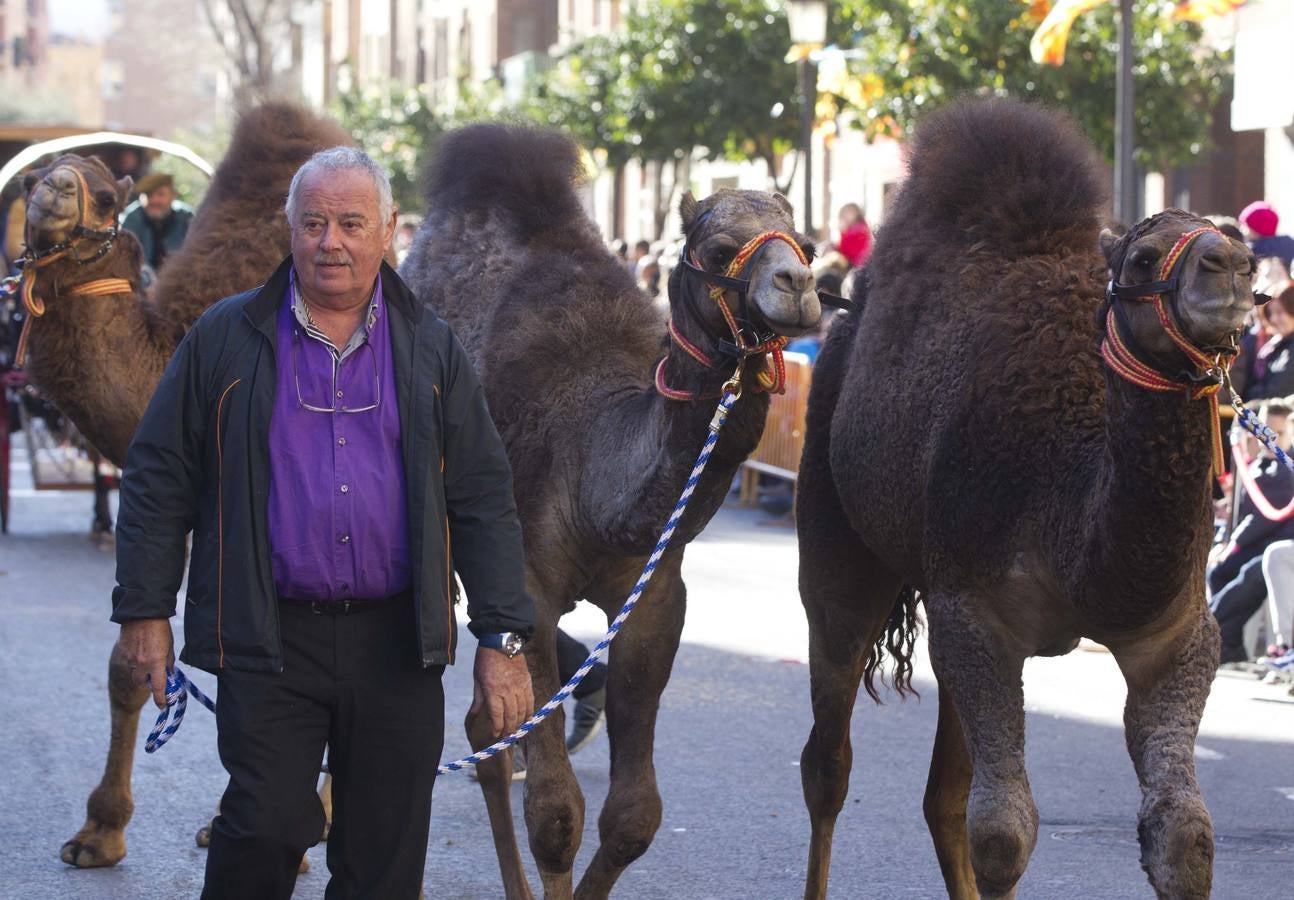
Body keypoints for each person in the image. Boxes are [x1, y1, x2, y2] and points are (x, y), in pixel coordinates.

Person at [110, 147, 535, 899]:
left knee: (382, 861)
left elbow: (481, 496)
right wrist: (145, 611)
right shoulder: (225, 338)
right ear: (290, 229)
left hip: (398, 644)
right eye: (313, 223)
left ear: (386, 231)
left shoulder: (431, 348)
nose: (329, 241)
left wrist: (502, 638)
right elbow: (157, 475)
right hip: (269, 636)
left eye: (348, 222)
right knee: (263, 826)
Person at [1209, 400, 1294, 663]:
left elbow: (1262, 518)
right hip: (1255, 545)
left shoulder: (1287, 470)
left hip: (1275, 542)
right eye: (1265, 431)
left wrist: (1233, 543)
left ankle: (1206, 629)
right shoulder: (1257, 464)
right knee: (1218, 570)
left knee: (1250, 573)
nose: (1269, 439)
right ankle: (1230, 643)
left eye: (1277, 433)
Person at [119, 172, 194, 271]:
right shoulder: (131, 218)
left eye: (160, 194)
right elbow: (126, 257)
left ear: (173, 195)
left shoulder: (186, 217)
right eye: (149, 195)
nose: (154, 201)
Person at [1250, 285, 1294, 399]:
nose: (1273, 319)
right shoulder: (1274, 346)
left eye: (1279, 312)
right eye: (1271, 313)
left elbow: (1279, 390)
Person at [1238, 201, 1294, 275]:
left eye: (1245, 225)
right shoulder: (1288, 243)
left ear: (1256, 228)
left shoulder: (1252, 249)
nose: (1241, 229)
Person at [834, 202, 872, 270]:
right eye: (844, 213)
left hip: (859, 267)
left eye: (850, 212)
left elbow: (846, 251)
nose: (846, 215)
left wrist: (843, 232)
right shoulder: (858, 228)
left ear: (857, 213)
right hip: (858, 267)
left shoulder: (859, 229)